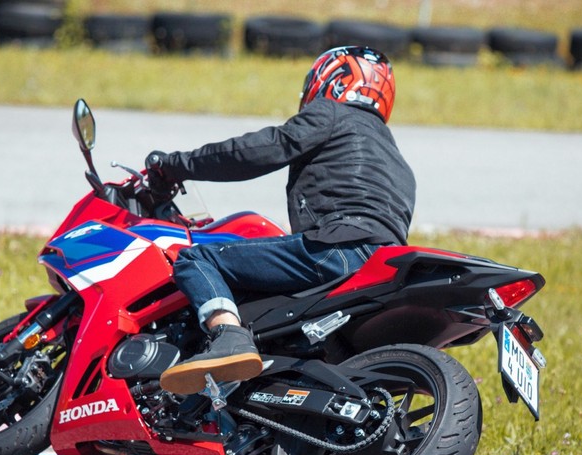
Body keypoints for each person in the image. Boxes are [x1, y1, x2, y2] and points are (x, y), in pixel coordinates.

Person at [149, 45, 416, 395]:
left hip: (337, 247)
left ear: (331, 79)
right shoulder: (399, 162)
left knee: (197, 258)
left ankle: (228, 336)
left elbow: (260, 150)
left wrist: (175, 165)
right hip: (379, 265)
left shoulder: (333, 114)